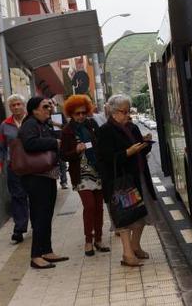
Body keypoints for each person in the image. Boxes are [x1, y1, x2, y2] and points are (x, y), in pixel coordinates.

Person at [96, 94, 151, 267]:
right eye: (124, 112)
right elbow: (105, 158)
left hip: (137, 177)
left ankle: (135, 246)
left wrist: (145, 144)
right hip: (119, 182)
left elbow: (139, 148)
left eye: (129, 111)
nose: (128, 115)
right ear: (113, 112)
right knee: (124, 217)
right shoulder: (105, 130)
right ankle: (127, 254)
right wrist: (128, 152)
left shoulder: (132, 127)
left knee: (141, 213)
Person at [18, 96, 69, 270]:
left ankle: (46, 250)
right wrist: (54, 142)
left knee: (46, 215)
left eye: (49, 106)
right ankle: (36, 255)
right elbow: (29, 143)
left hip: (46, 175)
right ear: (34, 110)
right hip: (35, 176)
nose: (49, 109)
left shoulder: (43, 124)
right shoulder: (30, 124)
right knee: (40, 216)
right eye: (45, 107)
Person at [60, 94, 111, 257]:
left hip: (97, 172)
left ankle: (99, 239)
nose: (81, 116)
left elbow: (102, 145)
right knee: (89, 207)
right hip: (81, 175)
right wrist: (75, 151)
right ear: (71, 114)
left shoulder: (92, 125)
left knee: (99, 208)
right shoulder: (67, 131)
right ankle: (88, 241)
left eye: (83, 112)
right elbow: (63, 155)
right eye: (77, 113)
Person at [0, 94, 30, 243]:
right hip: (14, 166)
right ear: (9, 108)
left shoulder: (31, 121)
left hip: (33, 165)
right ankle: (19, 229)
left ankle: (38, 225)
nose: (16, 107)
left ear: (23, 105)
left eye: (18, 104)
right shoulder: (5, 125)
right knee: (17, 197)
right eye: (13, 105)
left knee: (34, 196)